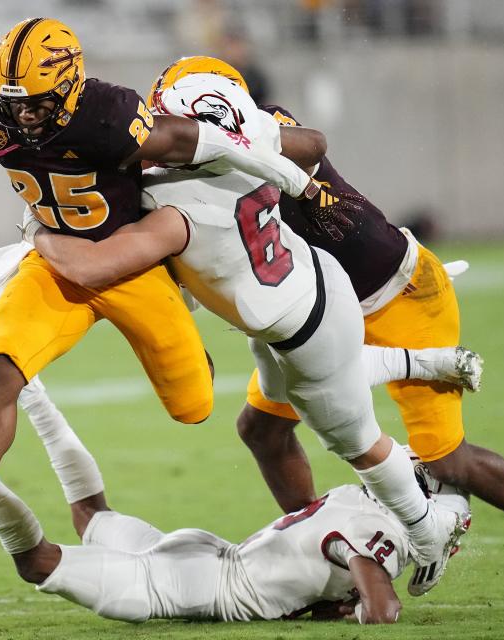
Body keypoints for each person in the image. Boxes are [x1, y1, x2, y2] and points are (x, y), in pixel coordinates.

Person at [0, 18, 357, 566]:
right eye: (14, 103)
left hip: (130, 268)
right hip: (54, 265)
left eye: (36, 103)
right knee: (3, 365)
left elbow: (213, 145)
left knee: (194, 405)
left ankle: (187, 350)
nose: (23, 115)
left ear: (70, 86)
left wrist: (301, 178)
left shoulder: (110, 116)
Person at [147, 56, 504, 606]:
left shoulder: (262, 129)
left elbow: (308, 145)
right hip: (324, 311)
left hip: (397, 295)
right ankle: (325, 547)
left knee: (445, 457)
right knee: (262, 431)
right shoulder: (204, 154)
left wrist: (229, 141)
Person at [27, 72, 467, 596]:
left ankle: (430, 526)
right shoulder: (242, 147)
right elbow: (307, 144)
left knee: (358, 441)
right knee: (264, 427)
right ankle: (420, 377)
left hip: (306, 327)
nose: (155, 131)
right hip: (303, 291)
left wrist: (37, 228)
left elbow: (97, 267)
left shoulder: (176, 209)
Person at [0, 369, 470, 624]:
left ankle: (31, 387)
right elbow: (382, 604)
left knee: (90, 512)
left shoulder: (353, 495)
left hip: (207, 553)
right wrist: (368, 605)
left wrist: (331, 604)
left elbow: (325, 559)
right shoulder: (381, 535)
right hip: (197, 585)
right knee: (36, 563)